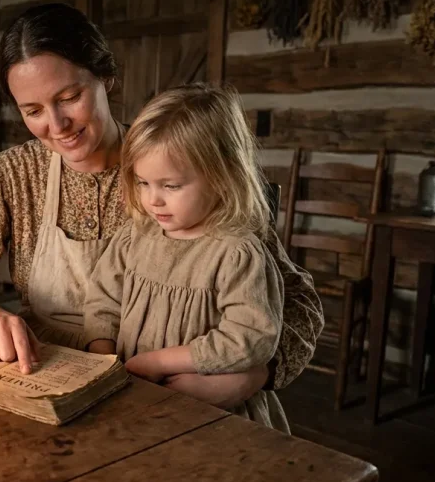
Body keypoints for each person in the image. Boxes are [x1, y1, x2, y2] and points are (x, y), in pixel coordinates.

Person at [0, 3, 322, 408]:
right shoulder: (10, 178)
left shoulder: (186, 161)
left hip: (177, 393)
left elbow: (299, 301)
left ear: (107, 77)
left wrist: (254, 377)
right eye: (33, 110)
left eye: (69, 97)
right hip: (47, 380)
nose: (57, 124)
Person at [82, 84, 289, 432]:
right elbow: (102, 301)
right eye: (143, 182)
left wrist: (161, 361)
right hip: (134, 400)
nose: (153, 200)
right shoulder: (135, 236)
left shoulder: (235, 252)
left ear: (222, 177)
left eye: (171, 186)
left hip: (213, 414)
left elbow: (250, 337)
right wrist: (103, 360)